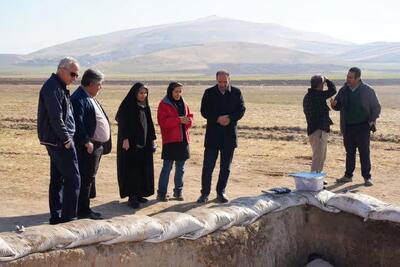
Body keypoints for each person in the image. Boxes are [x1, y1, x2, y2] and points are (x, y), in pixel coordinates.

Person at [37, 57, 81, 224]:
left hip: (57, 140)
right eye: (72, 74)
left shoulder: (58, 86)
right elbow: (56, 118)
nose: (75, 78)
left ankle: (57, 215)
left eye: (77, 75)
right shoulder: (53, 87)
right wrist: (66, 139)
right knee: (73, 178)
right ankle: (68, 217)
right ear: (61, 70)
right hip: (59, 141)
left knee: (58, 178)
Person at [197, 70, 246, 204]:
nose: (222, 84)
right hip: (213, 135)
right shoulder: (209, 92)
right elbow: (204, 111)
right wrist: (217, 118)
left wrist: (230, 118)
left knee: (225, 167)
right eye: (220, 82)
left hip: (229, 136)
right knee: (208, 166)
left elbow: (241, 110)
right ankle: (204, 193)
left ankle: (221, 192)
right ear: (216, 80)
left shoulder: (236, 92)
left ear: (229, 79)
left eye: (225, 82)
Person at [71, 69, 111, 220]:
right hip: (87, 147)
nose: (100, 87)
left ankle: (84, 207)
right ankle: (83, 210)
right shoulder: (78, 99)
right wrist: (86, 141)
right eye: (99, 84)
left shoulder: (89, 96)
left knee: (89, 178)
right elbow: (77, 123)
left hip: (95, 146)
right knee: (86, 178)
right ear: (91, 84)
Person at [331, 67, 381, 186]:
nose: (347, 79)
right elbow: (338, 106)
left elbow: (376, 106)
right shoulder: (344, 90)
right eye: (347, 76)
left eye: (350, 77)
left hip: (363, 126)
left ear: (358, 78)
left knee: (364, 152)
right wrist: (334, 105)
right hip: (348, 126)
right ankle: (348, 176)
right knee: (350, 152)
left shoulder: (367, 90)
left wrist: (372, 120)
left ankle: (367, 177)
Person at [115, 82, 157, 209]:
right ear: (135, 93)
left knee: (142, 169)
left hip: (144, 144)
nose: (143, 95)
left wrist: (152, 140)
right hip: (130, 144)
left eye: (145, 93)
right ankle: (132, 196)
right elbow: (122, 123)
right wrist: (125, 139)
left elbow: (149, 125)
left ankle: (139, 193)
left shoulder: (145, 106)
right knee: (131, 170)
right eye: (141, 93)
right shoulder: (128, 106)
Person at [156, 82, 193, 201]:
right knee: (167, 167)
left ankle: (178, 192)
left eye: (180, 91)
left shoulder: (184, 103)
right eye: (176, 91)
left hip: (183, 140)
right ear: (170, 91)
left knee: (181, 168)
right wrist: (178, 120)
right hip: (170, 141)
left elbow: (190, 117)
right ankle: (161, 193)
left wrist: (188, 121)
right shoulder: (164, 104)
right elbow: (163, 122)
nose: (178, 94)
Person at [303, 75, 336, 173]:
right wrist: (327, 80)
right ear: (320, 85)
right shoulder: (317, 95)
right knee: (318, 157)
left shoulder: (309, 95)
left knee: (321, 156)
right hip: (318, 130)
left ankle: (318, 177)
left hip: (315, 130)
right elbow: (333, 90)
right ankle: (314, 179)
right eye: (323, 84)